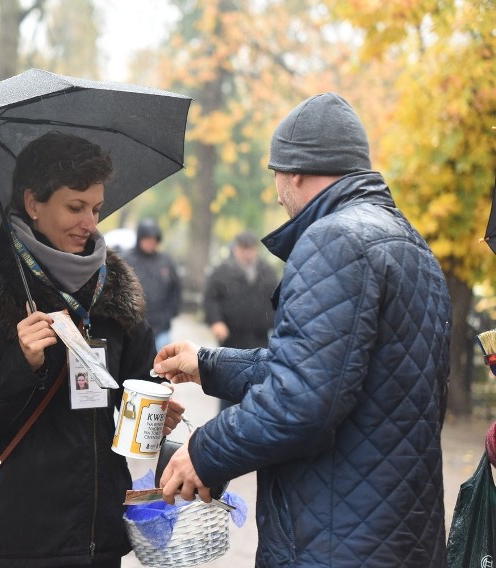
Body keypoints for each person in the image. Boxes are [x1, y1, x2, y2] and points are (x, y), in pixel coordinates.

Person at [154, 93, 452, 566]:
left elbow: (301, 401)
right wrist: (207, 364)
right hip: (395, 533)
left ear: (295, 170)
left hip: (333, 538)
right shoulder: (410, 245)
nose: (276, 193)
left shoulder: (334, 239)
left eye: (276, 174)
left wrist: (203, 451)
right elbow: (330, 373)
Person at [0, 131, 184, 568]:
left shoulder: (116, 298)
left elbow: (132, 397)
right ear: (33, 203)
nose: (90, 224)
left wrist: (153, 416)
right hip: (11, 546)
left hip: (98, 541)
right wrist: (20, 364)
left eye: (96, 209)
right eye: (75, 207)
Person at [202, 230, 278, 411]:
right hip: (232, 339)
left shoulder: (267, 272)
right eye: (243, 248)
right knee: (229, 385)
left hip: (260, 339)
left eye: (250, 248)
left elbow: (277, 299)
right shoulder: (222, 271)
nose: (247, 253)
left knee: (257, 387)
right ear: (236, 249)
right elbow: (210, 299)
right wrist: (216, 322)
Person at [123, 218, 182, 351]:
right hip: (133, 327)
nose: (151, 243)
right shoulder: (127, 260)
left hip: (161, 327)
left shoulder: (166, 262)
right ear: (140, 239)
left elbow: (176, 289)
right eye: (147, 239)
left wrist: (169, 314)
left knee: (163, 365)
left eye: (154, 240)